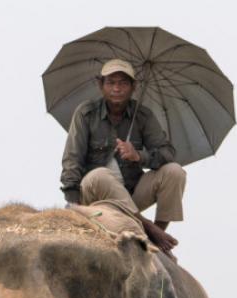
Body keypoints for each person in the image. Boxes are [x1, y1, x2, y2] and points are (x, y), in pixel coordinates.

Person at [60, 58, 184, 256]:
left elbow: (168, 152)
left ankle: (159, 232)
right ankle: (147, 228)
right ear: (101, 85)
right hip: (95, 193)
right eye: (111, 82)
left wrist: (139, 156)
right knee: (100, 174)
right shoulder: (86, 114)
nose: (117, 88)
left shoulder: (142, 116)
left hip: (130, 195)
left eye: (123, 83)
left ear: (133, 87)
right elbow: (71, 160)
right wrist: (73, 205)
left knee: (175, 171)